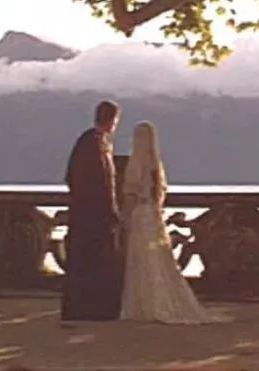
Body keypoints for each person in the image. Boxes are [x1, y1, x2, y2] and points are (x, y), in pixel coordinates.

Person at [120, 121, 211, 324]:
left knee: (139, 259)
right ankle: (157, 301)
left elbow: (131, 193)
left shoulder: (136, 163)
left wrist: (125, 216)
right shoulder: (156, 164)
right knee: (156, 259)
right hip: (153, 215)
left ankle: (143, 305)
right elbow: (159, 194)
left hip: (140, 214)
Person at [62, 100, 124, 321]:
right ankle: (85, 309)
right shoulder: (91, 142)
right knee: (89, 263)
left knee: (95, 263)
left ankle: (96, 309)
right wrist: (97, 206)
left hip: (94, 215)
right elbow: (83, 180)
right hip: (90, 216)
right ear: (112, 120)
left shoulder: (96, 141)